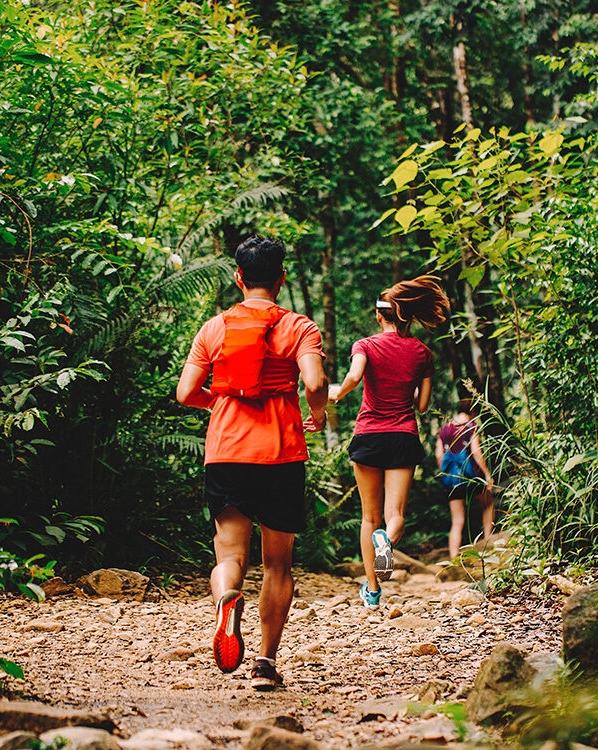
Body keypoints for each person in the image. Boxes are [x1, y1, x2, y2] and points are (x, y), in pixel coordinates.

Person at [175, 235, 327, 691]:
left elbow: (186, 393)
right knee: (277, 563)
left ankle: (226, 597)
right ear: (282, 278)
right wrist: (314, 413)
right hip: (280, 453)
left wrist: (222, 403)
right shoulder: (299, 327)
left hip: (226, 452)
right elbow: (315, 382)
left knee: (230, 554)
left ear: (239, 277)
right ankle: (264, 662)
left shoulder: (214, 328)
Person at [329, 275, 450, 608]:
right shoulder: (422, 353)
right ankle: (388, 542)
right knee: (394, 514)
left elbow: (354, 376)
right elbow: (422, 406)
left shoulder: (365, 345)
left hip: (368, 435)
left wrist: (338, 393)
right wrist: (408, 388)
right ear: (408, 316)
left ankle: (372, 590)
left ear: (380, 316)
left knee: (370, 518)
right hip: (402, 436)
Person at [435, 398, 494, 561]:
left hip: (452, 481)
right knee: (488, 503)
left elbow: (439, 455)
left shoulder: (444, 429)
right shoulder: (471, 426)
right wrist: (487, 474)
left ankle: (453, 558)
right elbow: (476, 453)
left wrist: (447, 473)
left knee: (457, 520)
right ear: (473, 411)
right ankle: (488, 542)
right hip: (471, 478)